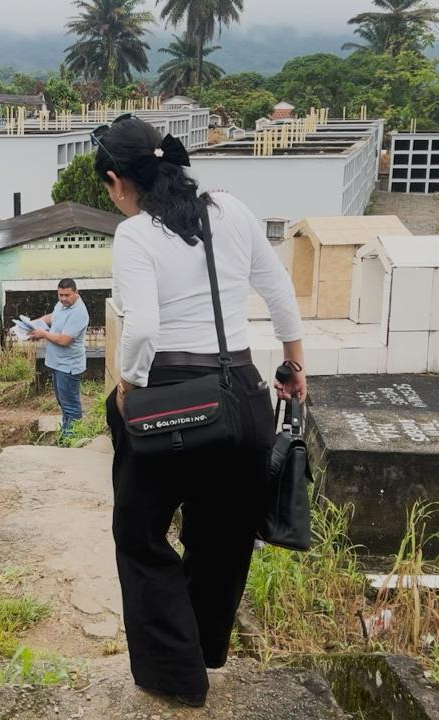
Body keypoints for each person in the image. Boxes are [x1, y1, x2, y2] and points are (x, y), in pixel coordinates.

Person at [93, 116, 306, 707]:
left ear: (116, 181)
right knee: (223, 537)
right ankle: (205, 648)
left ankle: (176, 674)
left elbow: (144, 328)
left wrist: (128, 387)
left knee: (139, 535)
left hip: (171, 397)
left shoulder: (135, 234)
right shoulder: (232, 209)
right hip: (243, 394)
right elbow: (279, 290)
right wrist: (294, 363)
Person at [30, 279, 89, 442]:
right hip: (56, 363)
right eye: (60, 295)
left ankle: (72, 439)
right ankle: (66, 433)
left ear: (76, 293)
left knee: (71, 405)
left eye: (67, 295)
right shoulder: (63, 305)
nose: (63, 298)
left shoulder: (79, 313)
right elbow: (52, 316)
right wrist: (33, 324)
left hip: (68, 366)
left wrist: (43, 334)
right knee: (63, 402)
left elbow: (64, 340)